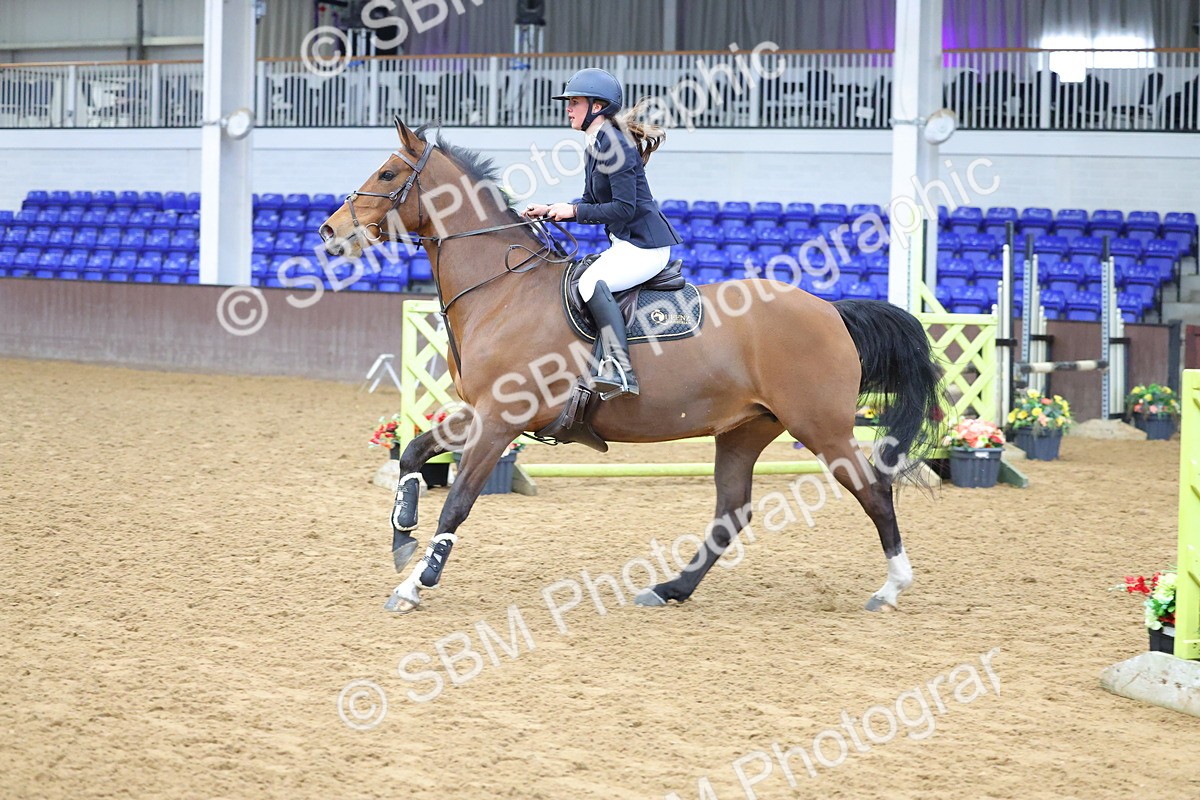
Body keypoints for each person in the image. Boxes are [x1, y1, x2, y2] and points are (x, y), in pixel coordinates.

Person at [523, 68, 681, 400]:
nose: (568, 108)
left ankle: (621, 368)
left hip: (645, 247)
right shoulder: (596, 144)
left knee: (590, 283)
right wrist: (554, 207)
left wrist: (575, 212)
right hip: (627, 243)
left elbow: (623, 208)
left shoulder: (616, 144)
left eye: (575, 102)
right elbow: (593, 201)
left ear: (598, 106)